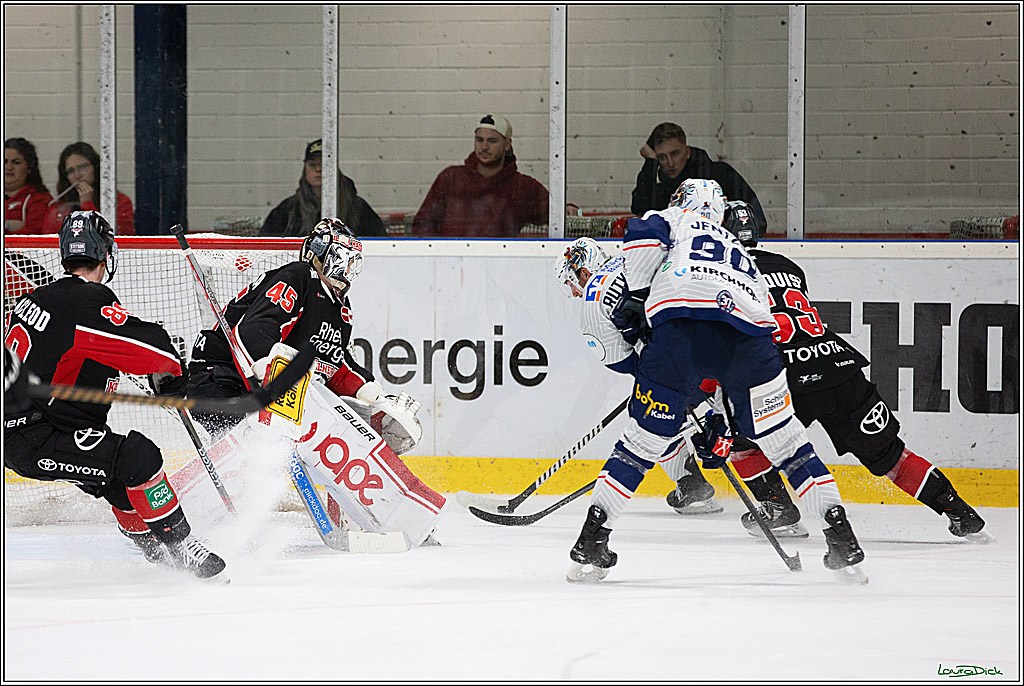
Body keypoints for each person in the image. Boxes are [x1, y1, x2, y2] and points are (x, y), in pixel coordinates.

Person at [565, 178, 865, 583]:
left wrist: (637, 300)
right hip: (750, 341)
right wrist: (715, 419)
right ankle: (841, 537)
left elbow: (639, 235)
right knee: (790, 444)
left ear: (679, 201)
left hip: (677, 332)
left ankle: (591, 541)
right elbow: (756, 326)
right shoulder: (739, 252)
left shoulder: (673, 220)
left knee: (638, 448)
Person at [711, 200, 991, 543]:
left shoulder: (720, 273)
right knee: (892, 457)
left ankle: (777, 507)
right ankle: (958, 510)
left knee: (740, 439)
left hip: (783, 378)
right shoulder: (789, 266)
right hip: (837, 366)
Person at [3, 210, 225, 580]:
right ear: (107, 254)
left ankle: (155, 548)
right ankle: (182, 547)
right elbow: (155, 350)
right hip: (37, 435)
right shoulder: (85, 302)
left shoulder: (37, 298)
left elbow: (65, 354)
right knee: (138, 457)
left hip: (33, 429)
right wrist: (170, 370)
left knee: (120, 481)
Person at [553, 236, 723, 515]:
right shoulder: (636, 258)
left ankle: (691, 485)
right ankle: (773, 499)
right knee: (734, 417)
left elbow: (622, 362)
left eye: (571, 284)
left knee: (646, 413)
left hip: (680, 370)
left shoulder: (593, 300)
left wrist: (652, 377)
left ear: (583, 272)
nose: (574, 293)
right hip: (718, 345)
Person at [189, 218, 385, 436]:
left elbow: (335, 364)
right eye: (343, 258)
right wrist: (272, 374)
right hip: (218, 377)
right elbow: (253, 330)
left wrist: (371, 394)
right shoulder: (299, 276)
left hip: (251, 390)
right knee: (263, 448)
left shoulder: (340, 309)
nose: (348, 268)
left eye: (353, 262)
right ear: (321, 253)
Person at [412, 114, 550, 238]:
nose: (484, 147)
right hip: (451, 264)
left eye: (492, 141)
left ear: (507, 144)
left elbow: (556, 212)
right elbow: (422, 224)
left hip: (499, 264)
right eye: (479, 140)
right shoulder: (450, 178)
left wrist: (568, 208)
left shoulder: (522, 186)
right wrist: (442, 255)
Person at [630, 122, 767, 237]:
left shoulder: (721, 175)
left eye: (675, 153)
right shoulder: (662, 191)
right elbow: (640, 208)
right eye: (662, 157)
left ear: (687, 152)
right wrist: (650, 163)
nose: (670, 163)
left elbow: (758, 222)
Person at [259, 139, 386, 238]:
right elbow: (266, 243)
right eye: (312, 164)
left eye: (325, 164)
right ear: (305, 170)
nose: (318, 169)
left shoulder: (357, 207)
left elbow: (379, 243)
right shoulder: (289, 209)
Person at [42, 142, 135, 235]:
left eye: (82, 167)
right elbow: (48, 242)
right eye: (71, 171)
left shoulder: (119, 202)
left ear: (95, 166)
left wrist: (88, 205)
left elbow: (118, 236)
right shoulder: (59, 209)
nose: (77, 175)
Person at [5, 137, 54, 234]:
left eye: (16, 162)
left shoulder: (40, 199)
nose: (8, 167)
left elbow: (33, 235)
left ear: (29, 168)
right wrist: (7, 225)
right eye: (4, 162)